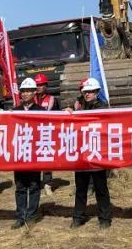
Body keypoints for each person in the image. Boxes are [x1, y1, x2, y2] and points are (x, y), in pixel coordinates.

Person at [68, 78, 113, 229]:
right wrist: (70, 111)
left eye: (91, 92)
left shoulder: (103, 107)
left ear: (97, 92)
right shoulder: (78, 106)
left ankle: (105, 218)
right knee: (81, 188)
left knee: (101, 188)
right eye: (85, 92)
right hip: (82, 153)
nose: (87, 94)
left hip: (97, 153)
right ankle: (78, 217)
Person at [10, 79, 43, 228]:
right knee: (20, 187)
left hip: (35, 154)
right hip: (20, 154)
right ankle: (20, 216)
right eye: (23, 91)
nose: (25, 94)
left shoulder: (41, 111)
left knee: (34, 186)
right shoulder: (15, 111)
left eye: (28, 91)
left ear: (34, 92)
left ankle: (31, 215)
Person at [33, 73, 58, 194]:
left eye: (41, 85)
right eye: (37, 85)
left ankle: (47, 184)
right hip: (33, 133)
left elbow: (58, 116)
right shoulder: (30, 99)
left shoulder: (52, 100)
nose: (39, 87)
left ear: (46, 86)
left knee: (47, 159)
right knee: (34, 159)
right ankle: (35, 183)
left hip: (47, 133)